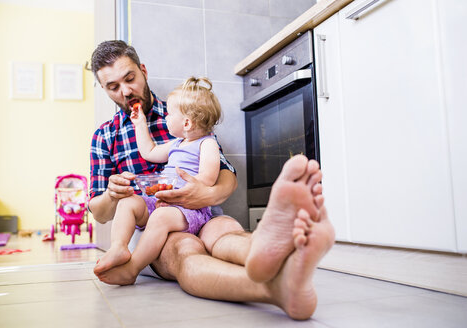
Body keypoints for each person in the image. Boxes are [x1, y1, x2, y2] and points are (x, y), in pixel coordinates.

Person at [89, 40, 335, 320]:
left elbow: (225, 174)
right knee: (185, 249)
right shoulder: (105, 136)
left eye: (130, 79)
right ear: (105, 89)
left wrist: (202, 195)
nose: (126, 91)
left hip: (200, 210)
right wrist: (111, 193)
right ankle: (277, 289)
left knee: (226, 233)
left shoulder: (187, 112)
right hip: (153, 225)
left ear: (143, 71)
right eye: (113, 87)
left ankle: (281, 255)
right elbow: (98, 211)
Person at [93, 76, 224, 279]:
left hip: (190, 209)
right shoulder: (176, 143)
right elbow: (149, 151)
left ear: (187, 123)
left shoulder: (207, 144)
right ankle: (118, 247)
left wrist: (176, 194)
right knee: (128, 202)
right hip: (163, 202)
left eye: (170, 114)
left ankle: (132, 268)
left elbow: (207, 180)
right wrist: (140, 124)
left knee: (160, 217)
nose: (165, 118)